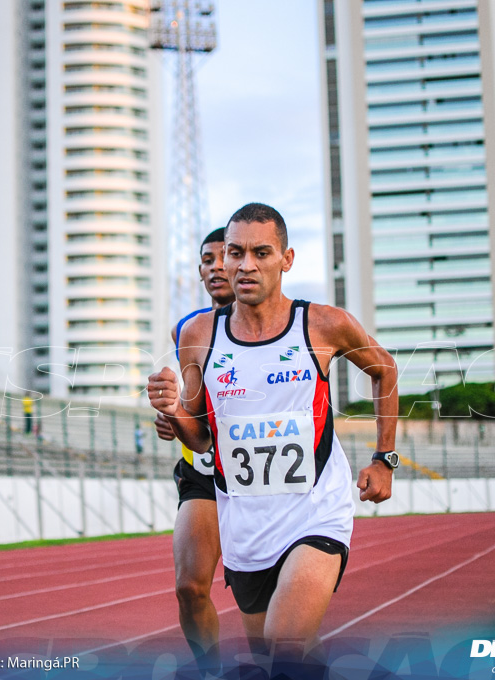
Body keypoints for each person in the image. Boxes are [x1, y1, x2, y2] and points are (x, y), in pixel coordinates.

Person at [148, 203, 398, 663]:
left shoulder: (324, 324)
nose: (245, 265)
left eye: (261, 253)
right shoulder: (199, 335)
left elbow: (385, 370)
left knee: (284, 649)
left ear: (287, 259)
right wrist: (170, 409)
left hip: (316, 509)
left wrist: (385, 458)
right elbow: (202, 439)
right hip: (245, 520)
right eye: (235, 253)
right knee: (272, 657)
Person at [154, 227, 234, 676]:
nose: (216, 267)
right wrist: (171, 417)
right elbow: (193, 410)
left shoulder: (280, 328)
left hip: (264, 477)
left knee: (263, 596)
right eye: (208, 259)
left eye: (227, 256)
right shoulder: (187, 329)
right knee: (189, 588)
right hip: (203, 470)